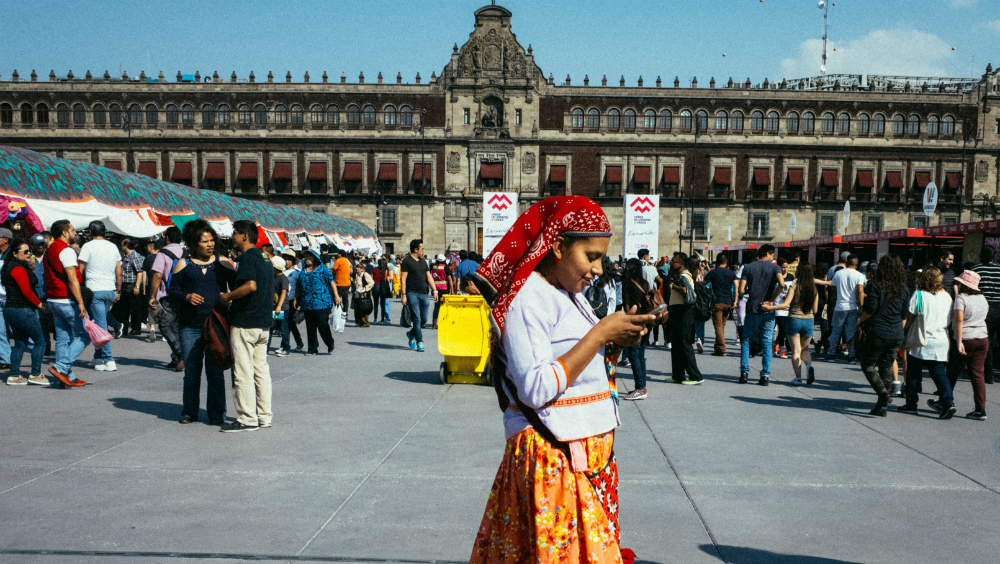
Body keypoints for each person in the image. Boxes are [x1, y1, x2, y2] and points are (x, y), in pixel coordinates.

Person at [470, 196, 651, 563]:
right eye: (591, 256)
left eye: (602, 257)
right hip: (553, 458)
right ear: (557, 247)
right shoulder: (527, 299)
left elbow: (576, 358)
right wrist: (599, 334)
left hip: (583, 457)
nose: (598, 269)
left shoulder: (570, 295)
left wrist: (614, 336)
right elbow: (535, 389)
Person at [167, 220, 235, 425]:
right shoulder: (183, 264)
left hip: (216, 325)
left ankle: (217, 414)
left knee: (215, 371)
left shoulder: (222, 263)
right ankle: (189, 412)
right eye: (205, 241)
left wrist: (229, 296)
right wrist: (186, 297)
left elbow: (235, 287)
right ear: (194, 243)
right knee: (192, 372)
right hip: (190, 326)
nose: (210, 244)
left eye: (212, 240)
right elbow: (173, 291)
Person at [219, 220, 275, 433]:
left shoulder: (248, 257)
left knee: (242, 371)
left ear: (244, 235)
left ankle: (247, 418)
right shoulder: (265, 257)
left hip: (245, 321)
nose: (231, 237)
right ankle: (264, 415)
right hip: (262, 322)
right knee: (261, 370)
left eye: (234, 233)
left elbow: (250, 285)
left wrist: (228, 297)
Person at [853, 255, 910, 416]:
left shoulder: (875, 285)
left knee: (868, 364)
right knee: (886, 366)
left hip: (878, 331)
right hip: (896, 332)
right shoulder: (904, 288)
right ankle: (881, 405)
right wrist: (898, 331)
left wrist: (859, 322)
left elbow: (870, 309)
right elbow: (904, 314)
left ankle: (883, 393)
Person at [898, 267, 955, 419]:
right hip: (941, 339)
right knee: (939, 374)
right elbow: (950, 320)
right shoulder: (947, 297)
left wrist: (904, 334)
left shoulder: (919, 295)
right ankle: (948, 402)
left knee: (913, 373)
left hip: (921, 339)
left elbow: (910, 317)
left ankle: (911, 404)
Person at [44, 220, 89, 388]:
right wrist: (80, 302)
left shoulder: (49, 250)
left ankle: (66, 376)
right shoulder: (66, 251)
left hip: (53, 299)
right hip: (66, 299)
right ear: (64, 233)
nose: (74, 232)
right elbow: (72, 278)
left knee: (63, 339)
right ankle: (62, 367)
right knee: (86, 334)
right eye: (71, 230)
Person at [2, 241, 49, 385]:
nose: (29, 253)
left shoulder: (14, 266)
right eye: (25, 252)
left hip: (12, 309)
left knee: (19, 343)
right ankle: (35, 374)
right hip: (21, 309)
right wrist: (41, 305)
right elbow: (26, 291)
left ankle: (14, 375)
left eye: (29, 251)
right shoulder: (17, 268)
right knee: (40, 341)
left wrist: (30, 269)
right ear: (15, 254)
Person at [78, 220, 122, 372]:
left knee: (101, 326)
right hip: (110, 289)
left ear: (90, 231)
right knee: (98, 323)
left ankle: (109, 359)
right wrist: (118, 290)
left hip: (94, 289)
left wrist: (78, 287)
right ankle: (98, 358)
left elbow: (80, 269)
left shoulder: (87, 246)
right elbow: (118, 272)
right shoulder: (113, 247)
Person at [946, 270, 989, 420]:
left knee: (952, 370)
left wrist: (958, 342)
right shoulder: (982, 298)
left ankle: (945, 401)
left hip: (966, 338)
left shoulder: (961, 298)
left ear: (963, 284)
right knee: (978, 374)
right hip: (982, 337)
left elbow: (958, 321)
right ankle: (980, 409)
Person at [739, 245, 784, 385]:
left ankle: (744, 372)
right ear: (767, 253)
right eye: (772, 255)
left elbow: (741, 289)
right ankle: (765, 375)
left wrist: (752, 292)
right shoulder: (775, 268)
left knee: (746, 340)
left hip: (752, 308)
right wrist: (771, 300)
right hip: (768, 309)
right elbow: (782, 284)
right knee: (766, 342)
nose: (773, 258)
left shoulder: (748, 267)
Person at [768, 263, 818, 386]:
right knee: (805, 349)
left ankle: (798, 378)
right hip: (809, 320)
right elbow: (815, 310)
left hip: (794, 319)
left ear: (799, 273)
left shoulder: (794, 287)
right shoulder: (814, 289)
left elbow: (785, 305)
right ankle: (809, 365)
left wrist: (770, 306)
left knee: (796, 350)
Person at [150, 227, 185, 372]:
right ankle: (176, 359)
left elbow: (157, 276)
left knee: (164, 326)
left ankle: (180, 353)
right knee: (176, 326)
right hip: (185, 295)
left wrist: (152, 296)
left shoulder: (162, 253)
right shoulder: (186, 251)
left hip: (168, 295)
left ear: (168, 238)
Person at [621, 258, 657, 400]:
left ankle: (639, 388)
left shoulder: (628, 283)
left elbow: (630, 307)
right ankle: (642, 386)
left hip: (635, 322)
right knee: (640, 354)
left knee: (633, 354)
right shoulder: (644, 283)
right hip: (647, 321)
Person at [668, 256, 704, 384]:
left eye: (674, 261)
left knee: (685, 344)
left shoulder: (684, 275)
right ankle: (678, 374)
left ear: (681, 263)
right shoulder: (679, 274)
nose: (671, 263)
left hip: (684, 313)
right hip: (678, 312)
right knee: (676, 344)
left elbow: (685, 290)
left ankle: (695, 376)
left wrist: (673, 286)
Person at [297, 250, 338, 355]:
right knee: (310, 326)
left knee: (322, 324)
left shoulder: (323, 269)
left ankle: (329, 342)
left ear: (315, 259)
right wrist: (295, 299)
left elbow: (332, 282)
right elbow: (299, 287)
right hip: (307, 303)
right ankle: (312, 348)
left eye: (309, 257)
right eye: (305, 257)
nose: (306, 259)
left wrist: (336, 296)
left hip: (322, 302)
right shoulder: (303, 272)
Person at [826, 255, 866, 364]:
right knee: (851, 332)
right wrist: (861, 307)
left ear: (846, 262)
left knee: (836, 331)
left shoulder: (838, 274)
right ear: (857, 264)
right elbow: (860, 292)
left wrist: (834, 304)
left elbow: (833, 292)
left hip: (839, 307)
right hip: (853, 307)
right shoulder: (859, 275)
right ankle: (851, 356)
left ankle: (831, 354)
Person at [400, 239, 437, 352]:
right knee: (416, 319)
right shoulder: (407, 261)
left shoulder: (423, 261)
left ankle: (411, 333)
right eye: (422, 249)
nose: (423, 251)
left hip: (423, 293)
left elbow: (429, 276)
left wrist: (434, 290)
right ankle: (420, 342)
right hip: (412, 293)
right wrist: (404, 295)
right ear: (415, 249)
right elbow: (403, 279)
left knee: (424, 319)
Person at [971, 247, 1000, 385]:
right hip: (999, 306)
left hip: (985, 306)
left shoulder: (976, 269)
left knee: (986, 340)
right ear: (993, 257)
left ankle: (988, 375)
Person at [704, 253, 737, 355]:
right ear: (726, 261)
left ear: (717, 261)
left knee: (718, 325)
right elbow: (736, 286)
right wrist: (735, 301)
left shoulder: (714, 272)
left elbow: (704, 284)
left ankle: (722, 348)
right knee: (722, 325)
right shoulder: (731, 273)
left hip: (717, 301)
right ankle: (717, 347)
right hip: (728, 302)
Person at [114, 238, 144, 337]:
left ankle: (136, 328)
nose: (120, 246)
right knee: (124, 308)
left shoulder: (135, 256)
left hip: (132, 284)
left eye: (122, 244)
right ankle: (124, 327)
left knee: (134, 308)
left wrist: (137, 286)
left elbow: (139, 272)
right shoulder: (126, 256)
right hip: (124, 284)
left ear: (126, 246)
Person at [280, 249, 304, 350]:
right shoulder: (281, 271)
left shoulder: (297, 272)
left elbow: (300, 287)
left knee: (288, 323)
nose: (287, 261)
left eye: (289, 259)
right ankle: (295, 343)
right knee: (286, 323)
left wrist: (296, 299)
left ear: (293, 261)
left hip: (291, 301)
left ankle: (286, 345)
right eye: (285, 259)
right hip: (282, 300)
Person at [270, 256, 290, 355]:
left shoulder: (283, 278)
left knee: (283, 328)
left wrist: (279, 306)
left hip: (282, 308)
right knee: (271, 327)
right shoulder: (272, 277)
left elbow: (283, 293)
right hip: (274, 307)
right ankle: (265, 349)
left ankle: (286, 348)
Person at [0, 227, 12, 371]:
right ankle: (5, 358)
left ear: (5, 239)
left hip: (11, 299)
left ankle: (36, 352)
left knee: (19, 329)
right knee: (1, 331)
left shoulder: (12, 255)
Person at [352, 261, 374, 328]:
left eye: (359, 268)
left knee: (364, 307)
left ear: (362, 269)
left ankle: (365, 322)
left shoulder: (365, 275)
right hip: (357, 294)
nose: (357, 269)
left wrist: (365, 288)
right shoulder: (357, 275)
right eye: (357, 267)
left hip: (364, 294)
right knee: (357, 308)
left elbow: (372, 282)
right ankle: (359, 322)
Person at [430, 254, 449, 329]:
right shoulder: (445, 266)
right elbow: (449, 278)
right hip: (444, 289)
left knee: (436, 307)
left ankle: (434, 324)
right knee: (444, 306)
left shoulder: (433, 266)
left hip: (435, 289)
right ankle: (443, 323)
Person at [372, 258, 391, 324]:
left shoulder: (374, 270)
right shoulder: (386, 271)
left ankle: (375, 319)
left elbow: (371, 279)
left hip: (376, 286)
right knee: (382, 304)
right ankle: (382, 319)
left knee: (375, 304)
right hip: (383, 287)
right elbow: (388, 280)